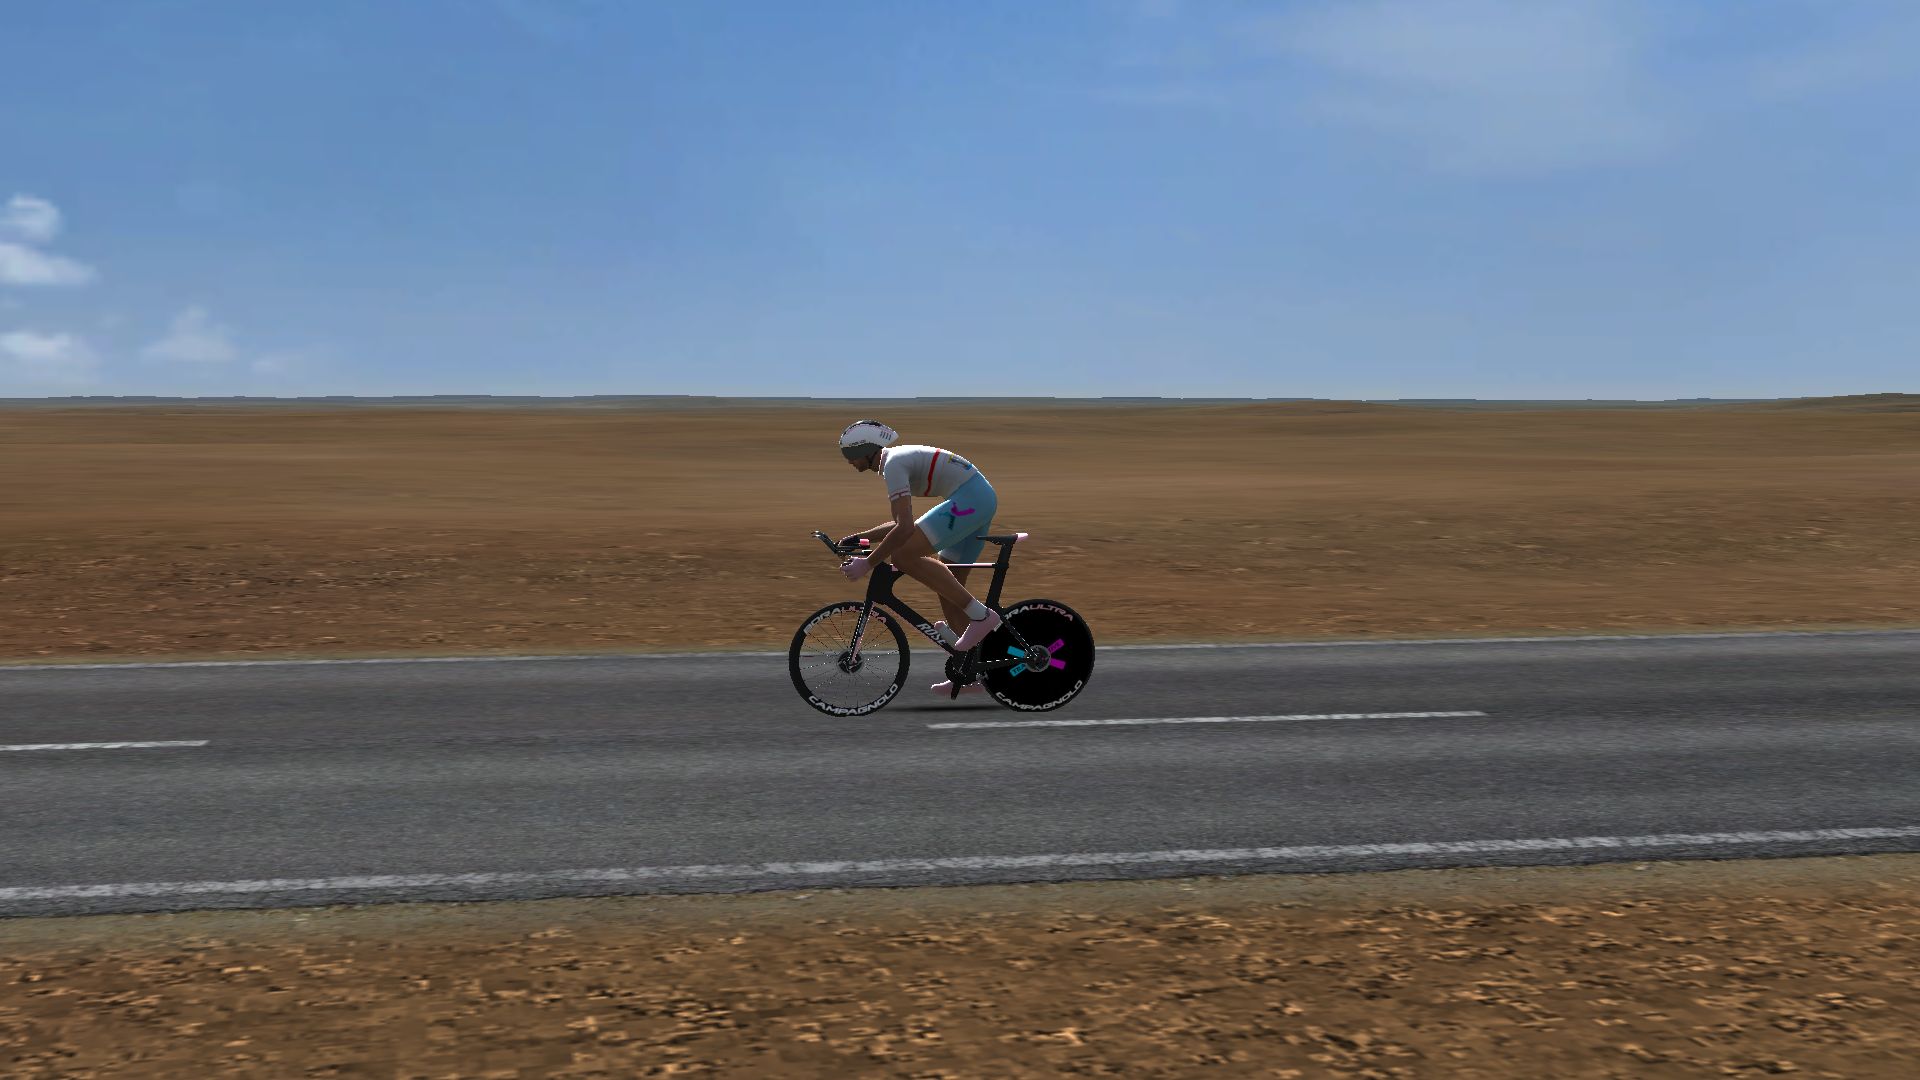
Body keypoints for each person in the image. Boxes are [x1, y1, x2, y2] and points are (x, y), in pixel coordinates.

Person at [835, 419, 1001, 695]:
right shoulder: (895, 462)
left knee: (902, 557)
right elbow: (902, 524)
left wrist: (868, 563)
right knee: (949, 591)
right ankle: (974, 671)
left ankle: (982, 616)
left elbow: (904, 530)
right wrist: (860, 537)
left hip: (970, 500)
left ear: (866, 449)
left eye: (850, 454)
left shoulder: (893, 465)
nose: (849, 461)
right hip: (974, 499)